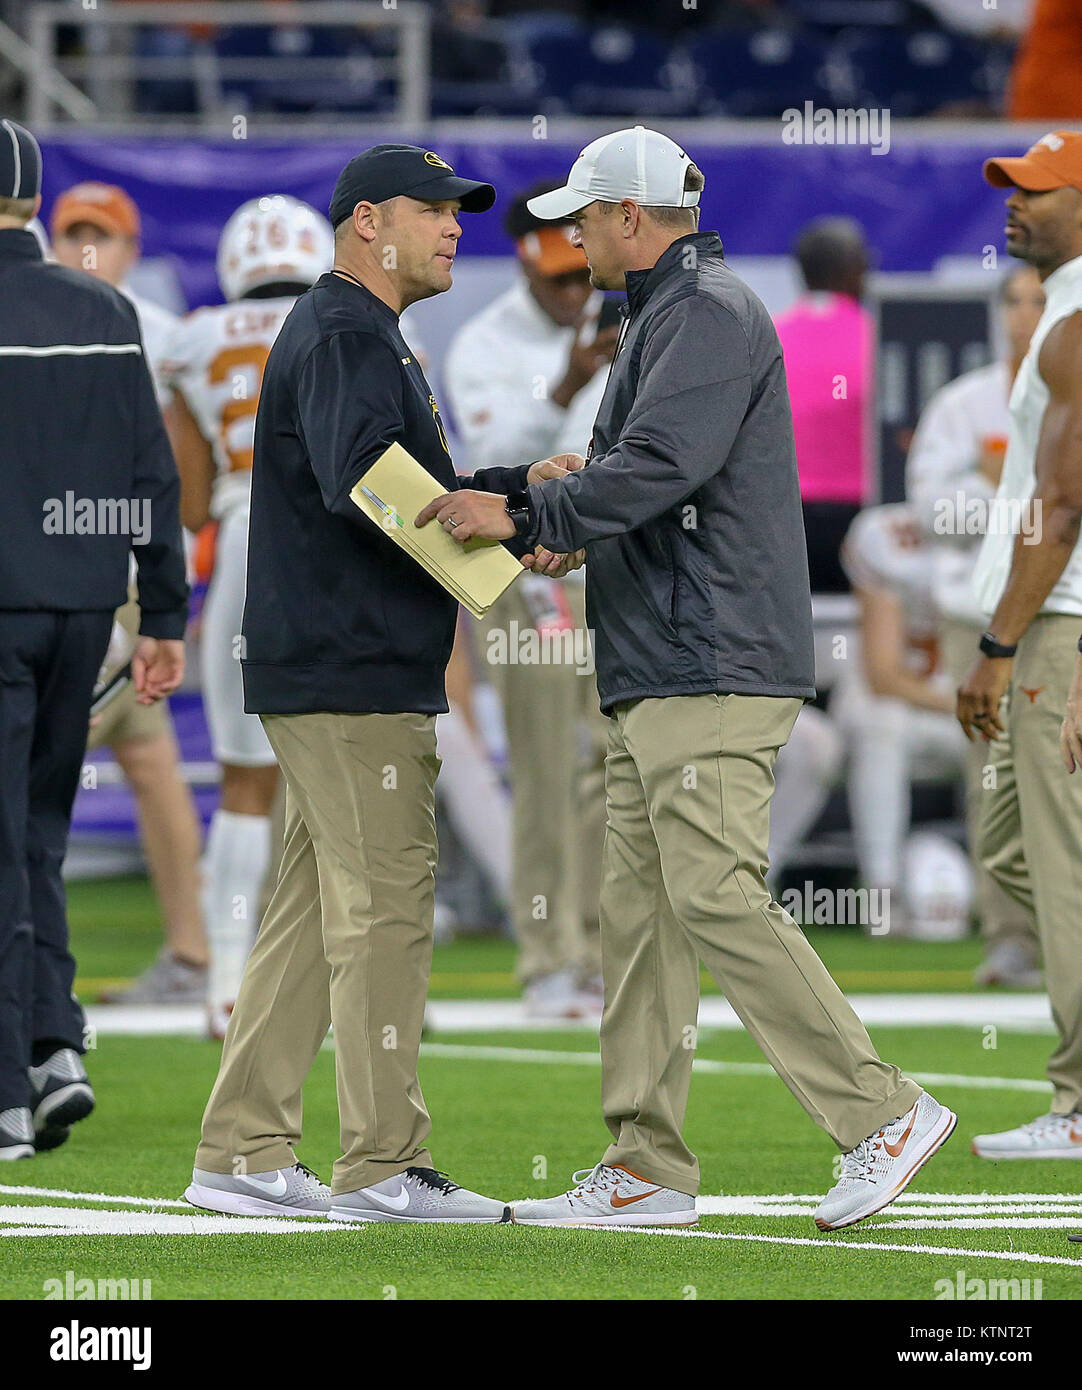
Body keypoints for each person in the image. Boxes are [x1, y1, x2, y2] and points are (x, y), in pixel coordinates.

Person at [421, 125, 956, 1231]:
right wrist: (570, 501)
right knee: (644, 916)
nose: (570, 235)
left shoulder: (702, 312)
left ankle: (879, 1112)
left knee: (708, 891)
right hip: (662, 653)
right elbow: (647, 476)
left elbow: (662, 468)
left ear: (629, 216)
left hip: (706, 655)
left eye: (584, 215)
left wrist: (526, 509)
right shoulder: (671, 310)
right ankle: (643, 1168)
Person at [185, 143, 573, 1223]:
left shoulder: (353, 330)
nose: (455, 228)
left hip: (329, 660)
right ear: (367, 222)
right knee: (389, 911)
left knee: (314, 914)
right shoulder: (352, 330)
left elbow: (392, 482)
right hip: (350, 668)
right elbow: (377, 487)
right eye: (434, 210)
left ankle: (244, 1149)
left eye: (459, 212)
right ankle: (381, 1164)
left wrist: (508, 488)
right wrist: (511, 552)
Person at [0, 122, 188, 1160]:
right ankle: (53, 1044)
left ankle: (6, 1094)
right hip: (81, 614)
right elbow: (149, 477)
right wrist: (161, 615)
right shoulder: (105, 308)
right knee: (35, 836)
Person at [162, 194, 334, 1038]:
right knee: (343, 777)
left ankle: (228, 984)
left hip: (243, 544)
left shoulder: (197, 340)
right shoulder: (356, 323)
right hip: (338, 554)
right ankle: (344, 986)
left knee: (244, 782)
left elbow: (189, 501)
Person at [443, 181, 616, 1016]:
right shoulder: (484, 345)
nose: (575, 293)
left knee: (613, 766)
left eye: (581, 276)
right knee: (548, 766)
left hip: (611, 572)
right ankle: (549, 958)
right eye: (559, 281)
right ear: (524, 266)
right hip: (526, 575)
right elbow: (490, 463)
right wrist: (565, 383)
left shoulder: (631, 332)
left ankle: (597, 945)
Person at [48, 181, 209, 1007]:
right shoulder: (37, 311)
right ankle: (41, 963)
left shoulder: (168, 335)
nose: (86, 248)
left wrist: (168, 587)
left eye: (100, 235)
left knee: (145, 760)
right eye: (72, 231)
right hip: (55, 565)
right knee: (70, 759)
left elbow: (184, 472)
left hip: (127, 573)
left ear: (132, 248)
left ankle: (189, 951)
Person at [959, 130, 1082, 1161]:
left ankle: (1078, 1103)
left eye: (1036, 193)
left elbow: (1062, 502)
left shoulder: (1074, 321)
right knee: (1013, 848)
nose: (1014, 206)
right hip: (1051, 617)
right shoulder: (1061, 315)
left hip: (1060, 622)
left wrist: (1000, 640)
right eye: (1008, 188)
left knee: (1061, 859)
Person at [906, 263, 1045, 985]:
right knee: (992, 778)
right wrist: (1016, 503)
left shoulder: (1070, 393)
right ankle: (1011, 935)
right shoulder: (965, 405)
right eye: (1015, 301)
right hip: (976, 614)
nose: (1026, 315)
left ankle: (1065, 935)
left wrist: (1010, 492)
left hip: (1059, 611)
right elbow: (931, 506)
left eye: (1040, 301)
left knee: (1060, 776)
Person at [833, 504, 972, 936]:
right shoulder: (888, 533)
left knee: (1013, 736)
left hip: (959, 706)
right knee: (882, 723)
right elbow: (883, 676)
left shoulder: (1018, 523)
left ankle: (1007, 893)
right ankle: (883, 892)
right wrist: (968, 704)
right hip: (916, 703)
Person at [774, 217, 873, 593]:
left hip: (786, 518)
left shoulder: (768, 337)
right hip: (860, 523)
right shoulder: (876, 339)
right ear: (854, 270)